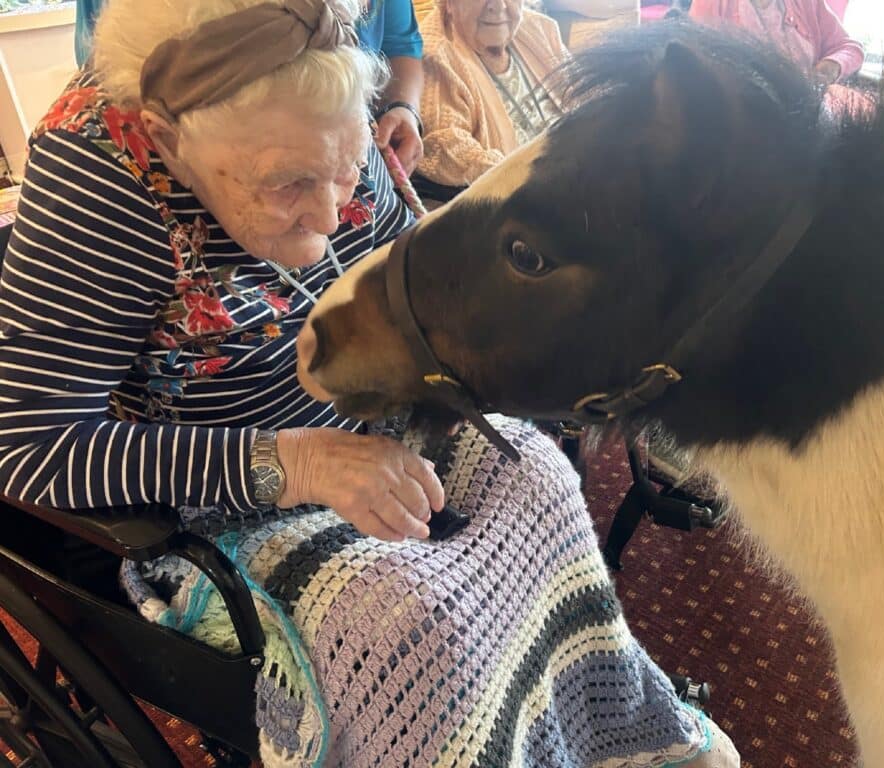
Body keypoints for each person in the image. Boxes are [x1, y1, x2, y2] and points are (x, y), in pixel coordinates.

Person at [0, 0, 739, 765]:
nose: (328, 216)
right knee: (416, 626)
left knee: (539, 477)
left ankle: (601, 731)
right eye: (287, 185)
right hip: (211, 499)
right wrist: (298, 463)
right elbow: (25, 446)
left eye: (346, 171)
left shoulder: (320, 82)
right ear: (166, 138)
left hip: (369, 414)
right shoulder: (98, 174)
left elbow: (398, 259)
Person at [74, 0, 426, 172]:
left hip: (345, 140)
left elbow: (402, 42)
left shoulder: (344, 135)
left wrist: (402, 107)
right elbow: (118, 68)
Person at [417, 0, 570, 188]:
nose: (498, 6)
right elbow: (445, 147)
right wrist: (528, 176)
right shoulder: (434, 59)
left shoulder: (540, 28)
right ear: (449, 3)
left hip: (577, 170)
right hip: (525, 195)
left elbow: (584, 94)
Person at [689, 0, 864, 89]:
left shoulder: (807, 3)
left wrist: (827, 70)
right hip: (742, 126)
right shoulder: (712, 4)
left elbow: (849, 48)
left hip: (807, 120)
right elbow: (695, 70)